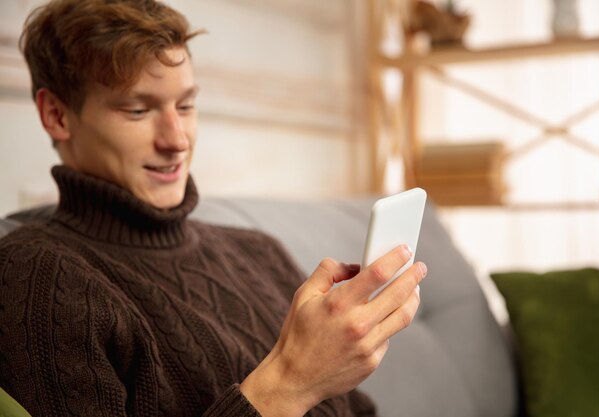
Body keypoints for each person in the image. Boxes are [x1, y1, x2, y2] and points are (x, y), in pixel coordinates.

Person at [0, 1, 427, 416]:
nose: (177, 139)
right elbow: (297, 385)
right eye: (137, 110)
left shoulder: (258, 251)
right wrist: (293, 381)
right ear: (56, 115)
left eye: (185, 105)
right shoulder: (37, 277)